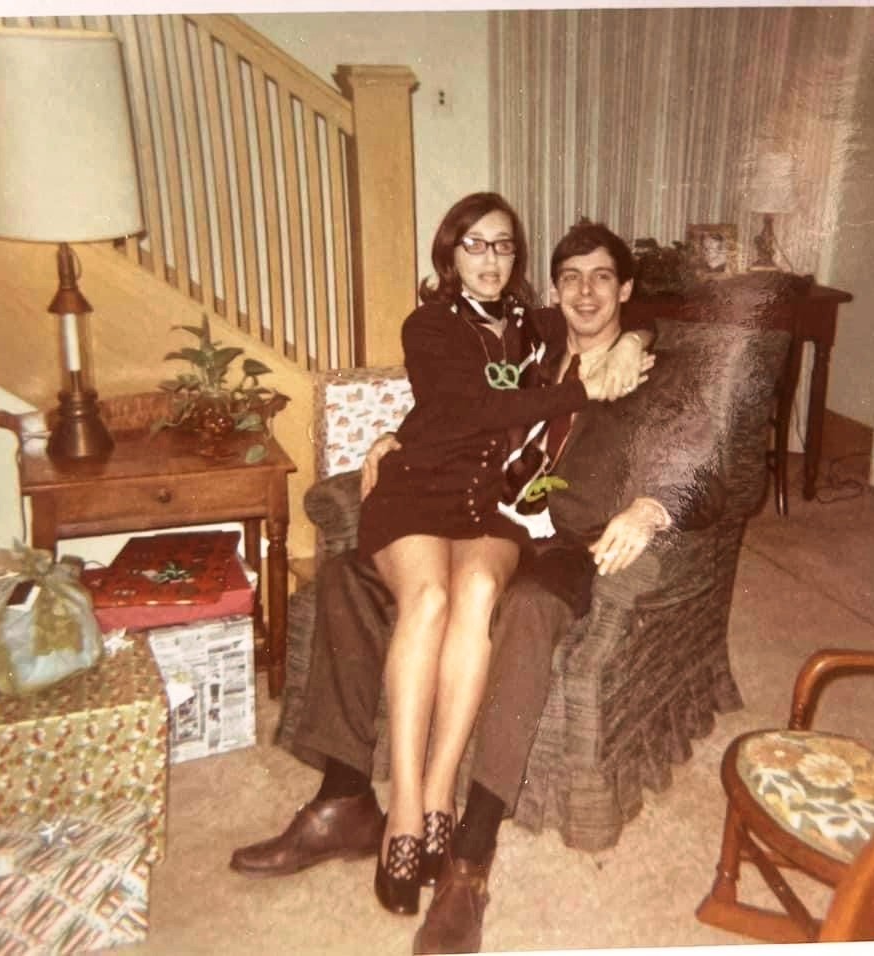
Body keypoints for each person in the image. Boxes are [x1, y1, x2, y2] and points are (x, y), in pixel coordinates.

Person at [230, 219, 717, 954]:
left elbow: (715, 474)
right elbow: (462, 400)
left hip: (557, 545)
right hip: (477, 515)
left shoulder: (655, 372)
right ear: (553, 290)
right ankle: (344, 800)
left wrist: (652, 507)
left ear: (626, 289)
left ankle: (470, 856)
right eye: (571, 278)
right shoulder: (536, 342)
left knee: (524, 609)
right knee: (350, 577)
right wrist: (399, 436)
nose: (586, 293)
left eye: (602, 278)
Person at [348, 192, 653, 917]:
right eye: (475, 244)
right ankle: (406, 808)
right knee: (428, 600)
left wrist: (634, 342)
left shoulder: (531, 324)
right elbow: (464, 410)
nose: (491, 259)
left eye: (504, 245)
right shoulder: (427, 325)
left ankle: (443, 796)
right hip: (419, 491)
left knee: (480, 593)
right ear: (450, 253)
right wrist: (576, 390)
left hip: (485, 507)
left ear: (518, 258)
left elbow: (611, 309)